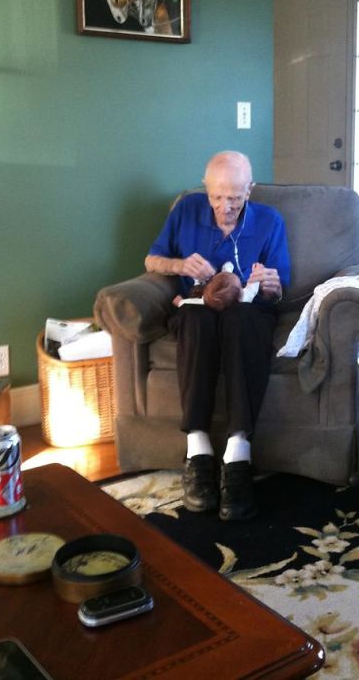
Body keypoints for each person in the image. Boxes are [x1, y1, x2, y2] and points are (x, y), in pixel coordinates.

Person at [145, 151, 290, 521]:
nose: (225, 207)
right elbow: (152, 260)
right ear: (206, 189)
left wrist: (271, 284)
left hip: (248, 310)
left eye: (235, 198)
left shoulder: (269, 221)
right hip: (196, 307)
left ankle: (238, 454)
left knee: (241, 320)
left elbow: (279, 288)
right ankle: (198, 449)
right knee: (195, 321)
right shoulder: (185, 210)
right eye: (217, 197)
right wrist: (179, 265)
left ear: (250, 191)